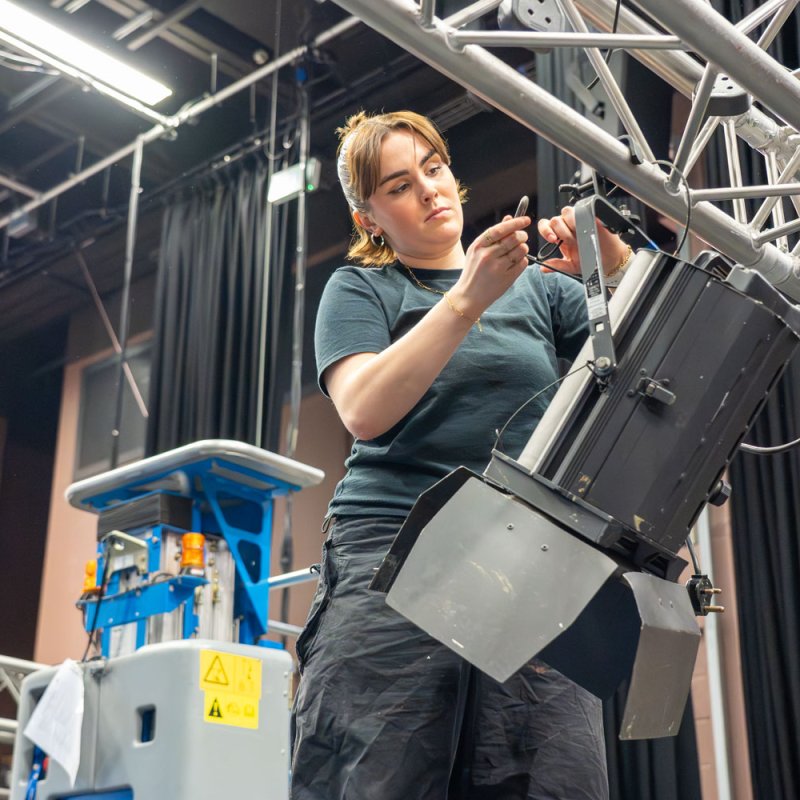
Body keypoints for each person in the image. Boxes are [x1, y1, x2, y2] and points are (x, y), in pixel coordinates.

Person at [291, 110, 631, 800]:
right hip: (394, 548)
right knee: (378, 771)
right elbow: (364, 410)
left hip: (529, 555)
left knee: (550, 774)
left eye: (434, 168)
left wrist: (617, 271)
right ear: (368, 220)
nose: (428, 189)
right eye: (398, 185)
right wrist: (468, 299)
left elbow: (644, 365)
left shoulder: (542, 290)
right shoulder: (360, 289)